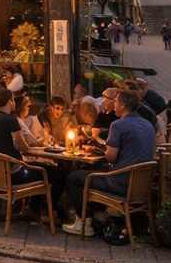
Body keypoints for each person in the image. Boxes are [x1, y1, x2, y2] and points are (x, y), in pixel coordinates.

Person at [62, 91, 155, 237]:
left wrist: (103, 147)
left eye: (116, 102)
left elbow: (111, 157)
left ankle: (84, 223)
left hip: (119, 182)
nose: (114, 104)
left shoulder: (118, 125)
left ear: (123, 105)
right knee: (89, 169)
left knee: (73, 178)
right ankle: (98, 215)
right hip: (140, 185)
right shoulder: (148, 125)